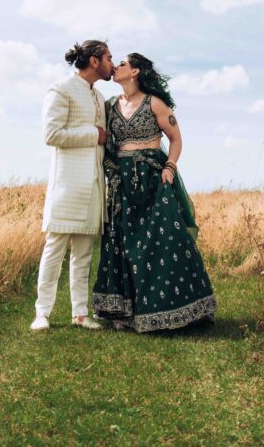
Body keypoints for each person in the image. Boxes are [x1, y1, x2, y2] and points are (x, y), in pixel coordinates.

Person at [92, 53, 216, 332]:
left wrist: (169, 167)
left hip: (153, 177)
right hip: (122, 180)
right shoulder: (110, 105)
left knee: (163, 241)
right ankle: (124, 312)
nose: (116, 66)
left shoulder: (154, 103)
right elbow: (107, 144)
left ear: (135, 71)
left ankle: (175, 308)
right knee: (123, 241)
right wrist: (112, 171)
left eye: (122, 63)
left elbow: (176, 139)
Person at [31, 40, 115, 331]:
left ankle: (80, 313)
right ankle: (42, 313)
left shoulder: (100, 97)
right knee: (54, 251)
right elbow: (52, 134)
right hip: (67, 185)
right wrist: (93, 134)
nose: (112, 64)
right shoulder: (61, 89)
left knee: (84, 254)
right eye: (108, 58)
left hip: (94, 186)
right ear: (94, 61)